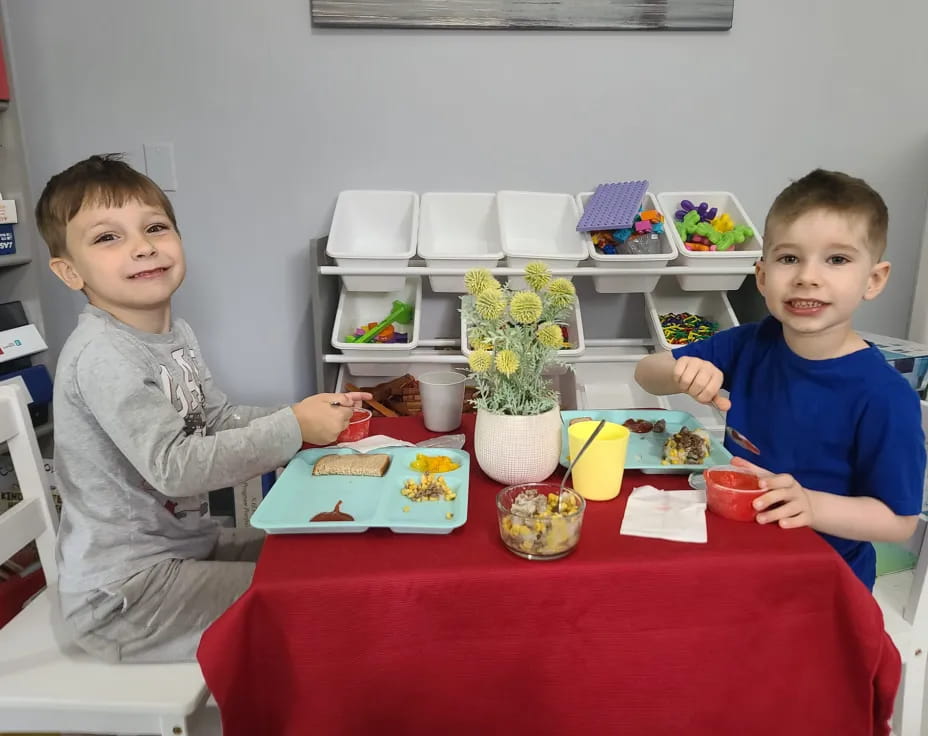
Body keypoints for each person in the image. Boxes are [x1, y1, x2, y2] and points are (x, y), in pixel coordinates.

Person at [34, 153, 371, 661]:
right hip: (125, 597)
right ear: (69, 272)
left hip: (186, 550)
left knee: (327, 557)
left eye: (155, 227)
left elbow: (212, 421)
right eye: (108, 237)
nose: (143, 247)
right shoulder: (102, 355)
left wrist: (300, 414)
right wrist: (292, 429)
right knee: (321, 602)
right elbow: (175, 467)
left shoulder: (175, 336)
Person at [635, 169, 926, 590]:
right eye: (789, 258)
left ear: (874, 279)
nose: (808, 276)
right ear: (763, 276)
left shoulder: (884, 397)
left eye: (837, 259)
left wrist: (811, 505)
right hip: (739, 559)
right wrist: (681, 372)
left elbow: (898, 520)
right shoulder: (751, 343)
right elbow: (646, 374)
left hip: (821, 583)